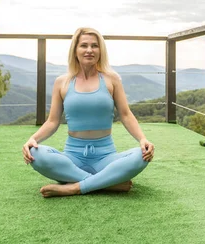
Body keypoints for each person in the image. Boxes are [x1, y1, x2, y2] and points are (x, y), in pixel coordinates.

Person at [22, 27, 155, 197]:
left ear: (101, 50)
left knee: (141, 156)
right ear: (75, 50)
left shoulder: (112, 79)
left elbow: (126, 114)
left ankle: (74, 187)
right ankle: (107, 184)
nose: (89, 50)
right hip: (72, 158)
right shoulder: (62, 82)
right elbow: (52, 121)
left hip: (106, 157)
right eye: (84, 45)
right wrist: (33, 139)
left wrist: (143, 139)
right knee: (35, 153)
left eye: (95, 46)